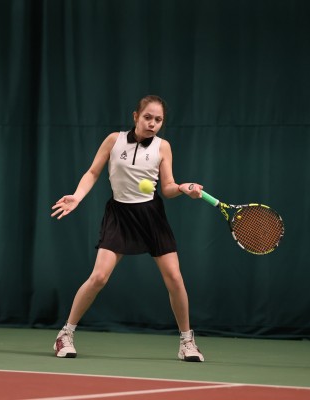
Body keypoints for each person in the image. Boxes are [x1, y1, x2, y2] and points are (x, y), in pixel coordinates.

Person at [50, 95, 205, 362]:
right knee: (99, 277)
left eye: (158, 120)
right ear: (136, 116)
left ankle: (187, 342)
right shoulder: (114, 140)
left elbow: (168, 188)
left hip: (151, 215)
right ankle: (65, 334)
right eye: (148, 117)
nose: (153, 123)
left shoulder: (163, 147)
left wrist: (183, 188)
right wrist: (77, 196)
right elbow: (93, 172)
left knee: (175, 278)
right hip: (119, 215)